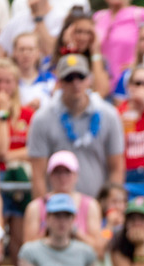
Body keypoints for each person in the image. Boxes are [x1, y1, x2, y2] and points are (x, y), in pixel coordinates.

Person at [27, 54, 125, 199]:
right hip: (57, 210)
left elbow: (116, 168)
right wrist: (44, 212)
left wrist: (110, 206)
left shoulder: (109, 115)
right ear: (59, 82)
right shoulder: (42, 119)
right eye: (69, 78)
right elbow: (38, 174)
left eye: (80, 76)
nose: (76, 83)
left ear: (89, 79)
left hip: (97, 206)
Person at [0, 59, 34, 263]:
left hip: (21, 180)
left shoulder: (28, 114)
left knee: (20, 241)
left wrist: (11, 155)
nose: (3, 87)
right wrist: (2, 114)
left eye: (8, 82)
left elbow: (35, 149)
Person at [22, 150, 104, 257]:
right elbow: (26, 250)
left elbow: (98, 249)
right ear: (50, 175)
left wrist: (74, 231)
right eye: (57, 172)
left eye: (67, 172)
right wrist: (51, 231)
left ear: (76, 175)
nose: (62, 177)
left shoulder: (91, 205)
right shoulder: (35, 207)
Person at [92, 0, 144, 85]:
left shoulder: (141, 14)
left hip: (130, 82)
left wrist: (137, 64)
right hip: (102, 83)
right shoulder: (98, 17)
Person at [12, 33, 54, 111]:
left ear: (38, 52)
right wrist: (26, 109)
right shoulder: (8, 81)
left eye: (31, 49)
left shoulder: (51, 80)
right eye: (22, 49)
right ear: (14, 52)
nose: (26, 54)